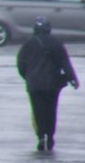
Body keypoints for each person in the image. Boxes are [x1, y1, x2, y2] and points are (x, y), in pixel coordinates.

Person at [17, 16, 78, 152]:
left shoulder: (28, 44)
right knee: (51, 110)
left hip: (34, 84)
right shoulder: (56, 43)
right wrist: (73, 79)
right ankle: (50, 136)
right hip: (53, 84)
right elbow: (65, 62)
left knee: (38, 111)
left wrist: (28, 77)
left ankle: (40, 136)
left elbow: (20, 64)